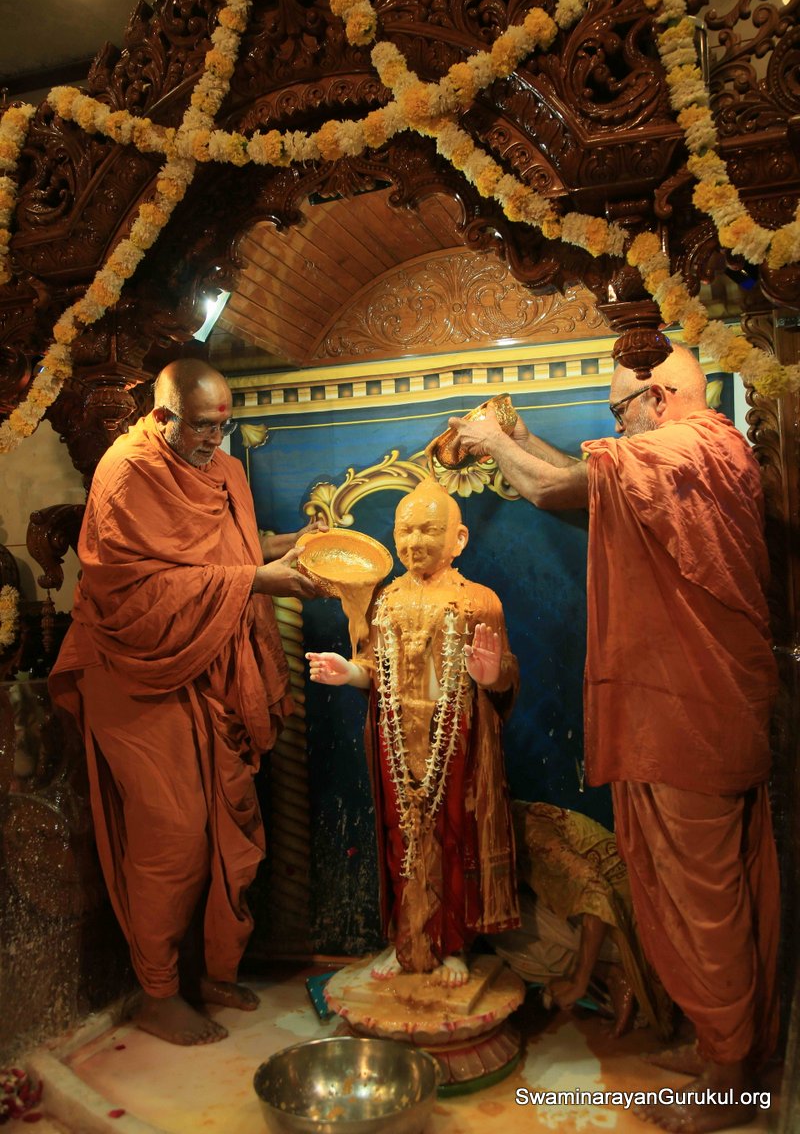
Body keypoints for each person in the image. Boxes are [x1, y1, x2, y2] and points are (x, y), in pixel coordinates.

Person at [448, 344, 779, 1132]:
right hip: (686, 712)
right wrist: (517, 438)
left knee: (704, 897)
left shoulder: (688, 448)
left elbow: (556, 486)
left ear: (658, 398)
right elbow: (583, 480)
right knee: (698, 886)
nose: (619, 426)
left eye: (620, 411)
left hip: (689, 719)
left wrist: (491, 443)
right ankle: (721, 1043)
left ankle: (730, 1075)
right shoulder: (696, 453)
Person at [50, 359, 322, 1046]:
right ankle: (157, 992)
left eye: (223, 426)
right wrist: (258, 581)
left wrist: (292, 548)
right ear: (163, 415)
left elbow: (225, 557)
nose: (214, 440)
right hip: (132, 670)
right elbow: (132, 593)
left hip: (204, 666)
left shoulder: (223, 471)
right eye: (202, 427)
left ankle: (207, 971)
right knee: (172, 835)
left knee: (227, 824)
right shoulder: (127, 472)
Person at [306, 478, 520, 986]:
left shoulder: (480, 601)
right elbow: (374, 670)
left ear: (458, 539)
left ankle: (453, 944)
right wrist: (349, 672)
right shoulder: (384, 599)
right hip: (396, 739)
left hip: (455, 737)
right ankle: (404, 941)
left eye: (428, 530)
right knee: (398, 837)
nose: (415, 541)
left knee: (455, 835)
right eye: (405, 530)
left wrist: (491, 675)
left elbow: (506, 674)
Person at [491, 800, 673, 1040]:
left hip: (642, 933)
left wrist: (579, 980)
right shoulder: (518, 822)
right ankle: (613, 976)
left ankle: (612, 978)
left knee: (504, 927)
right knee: (510, 932)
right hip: (648, 929)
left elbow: (598, 898)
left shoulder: (532, 831)